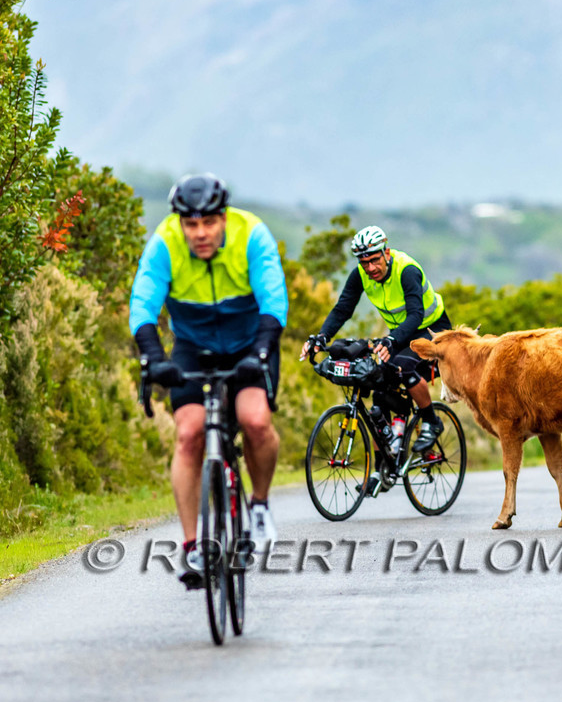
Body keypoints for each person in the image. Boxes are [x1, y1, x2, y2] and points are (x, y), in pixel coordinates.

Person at [129, 173, 288, 590]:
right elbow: (143, 304)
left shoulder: (251, 234)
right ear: (180, 223)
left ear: (223, 217)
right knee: (189, 434)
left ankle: (259, 505)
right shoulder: (164, 243)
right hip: (193, 348)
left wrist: (262, 352)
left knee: (254, 421)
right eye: (191, 224)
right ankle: (192, 544)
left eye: (209, 223)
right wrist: (152, 358)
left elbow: (274, 300)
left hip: (249, 345)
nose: (200, 233)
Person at [301, 226, 450, 464]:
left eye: (374, 260)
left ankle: (432, 421)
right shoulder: (360, 274)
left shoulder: (406, 270)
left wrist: (392, 340)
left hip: (433, 330)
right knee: (378, 384)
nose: (370, 268)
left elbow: (415, 314)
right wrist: (321, 337)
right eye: (364, 262)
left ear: (386, 252)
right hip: (401, 333)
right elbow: (343, 309)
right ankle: (383, 467)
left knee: (403, 367)